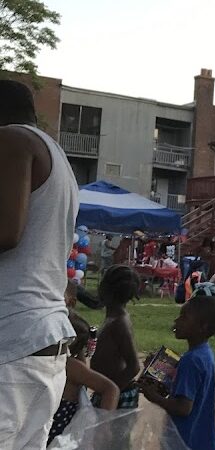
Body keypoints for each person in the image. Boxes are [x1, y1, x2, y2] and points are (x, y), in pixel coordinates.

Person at [0, 80, 79, 450]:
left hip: (12, 341)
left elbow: (7, 233)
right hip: (44, 347)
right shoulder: (59, 157)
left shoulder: (12, 139)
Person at [141, 295, 215, 450]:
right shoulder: (204, 354)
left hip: (185, 441)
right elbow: (186, 387)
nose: (177, 321)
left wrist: (153, 396)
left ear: (202, 326)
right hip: (201, 439)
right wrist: (156, 369)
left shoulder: (191, 360)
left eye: (184, 317)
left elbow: (183, 408)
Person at [48, 282, 120, 445]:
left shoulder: (70, 367)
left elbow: (111, 389)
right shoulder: (72, 365)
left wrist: (104, 427)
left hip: (59, 441)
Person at [90, 265, 142, 409]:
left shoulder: (120, 324)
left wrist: (110, 391)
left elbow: (134, 366)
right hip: (110, 392)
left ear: (106, 290)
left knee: (110, 432)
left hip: (118, 395)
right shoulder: (113, 318)